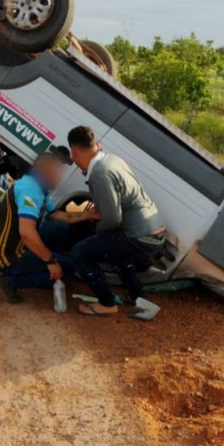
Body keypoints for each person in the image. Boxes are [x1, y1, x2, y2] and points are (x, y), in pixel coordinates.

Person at [67, 125, 166, 317]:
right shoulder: (112, 160)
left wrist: (97, 232)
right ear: (97, 144)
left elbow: (112, 219)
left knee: (80, 253)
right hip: (156, 231)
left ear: (74, 152)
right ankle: (137, 297)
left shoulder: (99, 174)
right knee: (117, 253)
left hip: (140, 236)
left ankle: (107, 303)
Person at [0, 145, 95, 303]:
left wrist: (88, 214)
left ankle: (45, 263)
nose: (59, 176)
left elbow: (58, 215)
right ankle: (11, 280)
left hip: (18, 244)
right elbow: (26, 233)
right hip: (7, 255)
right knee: (67, 268)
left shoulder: (36, 186)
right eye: (57, 171)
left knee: (59, 226)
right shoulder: (30, 190)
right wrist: (51, 261)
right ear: (44, 171)